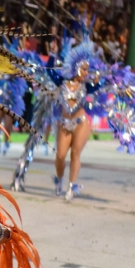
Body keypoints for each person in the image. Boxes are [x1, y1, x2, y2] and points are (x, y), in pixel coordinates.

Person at [47, 42, 102, 201]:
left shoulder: (87, 86)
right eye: (84, 69)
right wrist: (52, 54)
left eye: (88, 70)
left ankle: (71, 187)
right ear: (76, 66)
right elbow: (50, 71)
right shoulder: (62, 82)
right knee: (61, 155)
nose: (86, 73)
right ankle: (59, 182)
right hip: (64, 122)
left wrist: (99, 78)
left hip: (81, 123)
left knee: (75, 154)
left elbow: (100, 83)